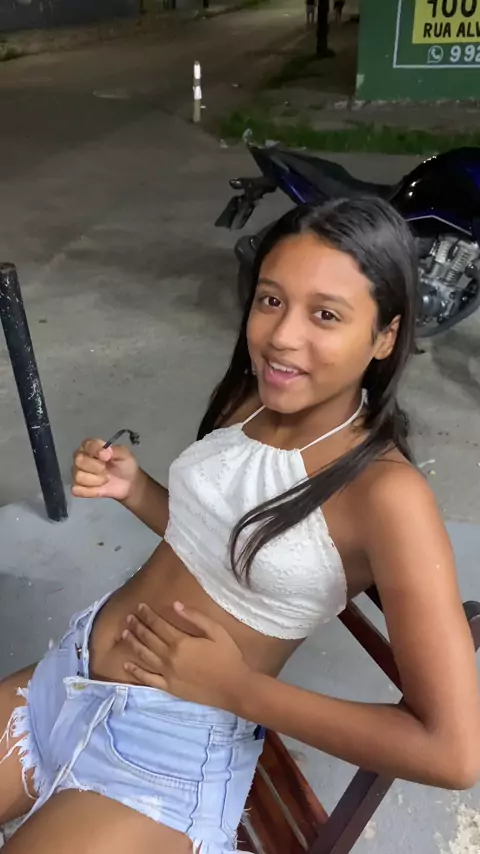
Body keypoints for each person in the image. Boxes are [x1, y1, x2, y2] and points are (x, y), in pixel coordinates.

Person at [1, 198, 479, 854]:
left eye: (326, 315)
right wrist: (137, 491)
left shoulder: (389, 497)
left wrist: (239, 689)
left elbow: (452, 753)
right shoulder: (253, 395)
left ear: (385, 336)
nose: (281, 337)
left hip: (157, 763)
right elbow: (223, 547)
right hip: (67, 679)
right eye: (271, 300)